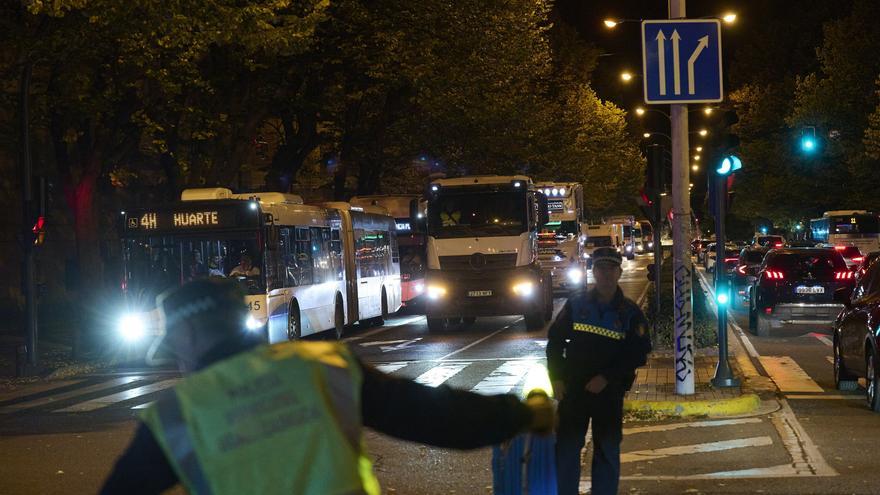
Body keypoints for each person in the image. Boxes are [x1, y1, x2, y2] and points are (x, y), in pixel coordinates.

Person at [101, 278, 555, 494]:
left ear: (192, 335)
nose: (176, 359)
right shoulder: (318, 367)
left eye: (174, 344)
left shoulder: (177, 415)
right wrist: (523, 414)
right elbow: (432, 417)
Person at [547, 247, 652, 495]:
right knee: (566, 450)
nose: (606, 273)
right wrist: (557, 378)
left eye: (611, 268)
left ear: (619, 271)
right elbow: (555, 343)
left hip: (609, 394)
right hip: (573, 391)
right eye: (601, 268)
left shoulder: (629, 313)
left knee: (606, 450)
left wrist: (607, 377)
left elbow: (637, 353)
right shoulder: (576, 305)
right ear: (594, 272)